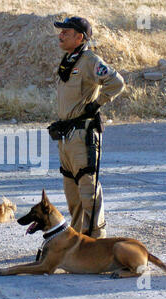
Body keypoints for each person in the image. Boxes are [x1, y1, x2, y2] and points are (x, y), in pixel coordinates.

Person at [49, 17, 124, 238]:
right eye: (60, 31)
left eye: (66, 32)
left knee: (88, 188)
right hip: (66, 135)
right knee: (72, 191)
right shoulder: (70, 59)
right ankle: (79, 239)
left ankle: (96, 240)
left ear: (80, 37)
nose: (60, 35)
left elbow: (117, 83)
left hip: (83, 134)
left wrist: (97, 104)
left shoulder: (90, 60)